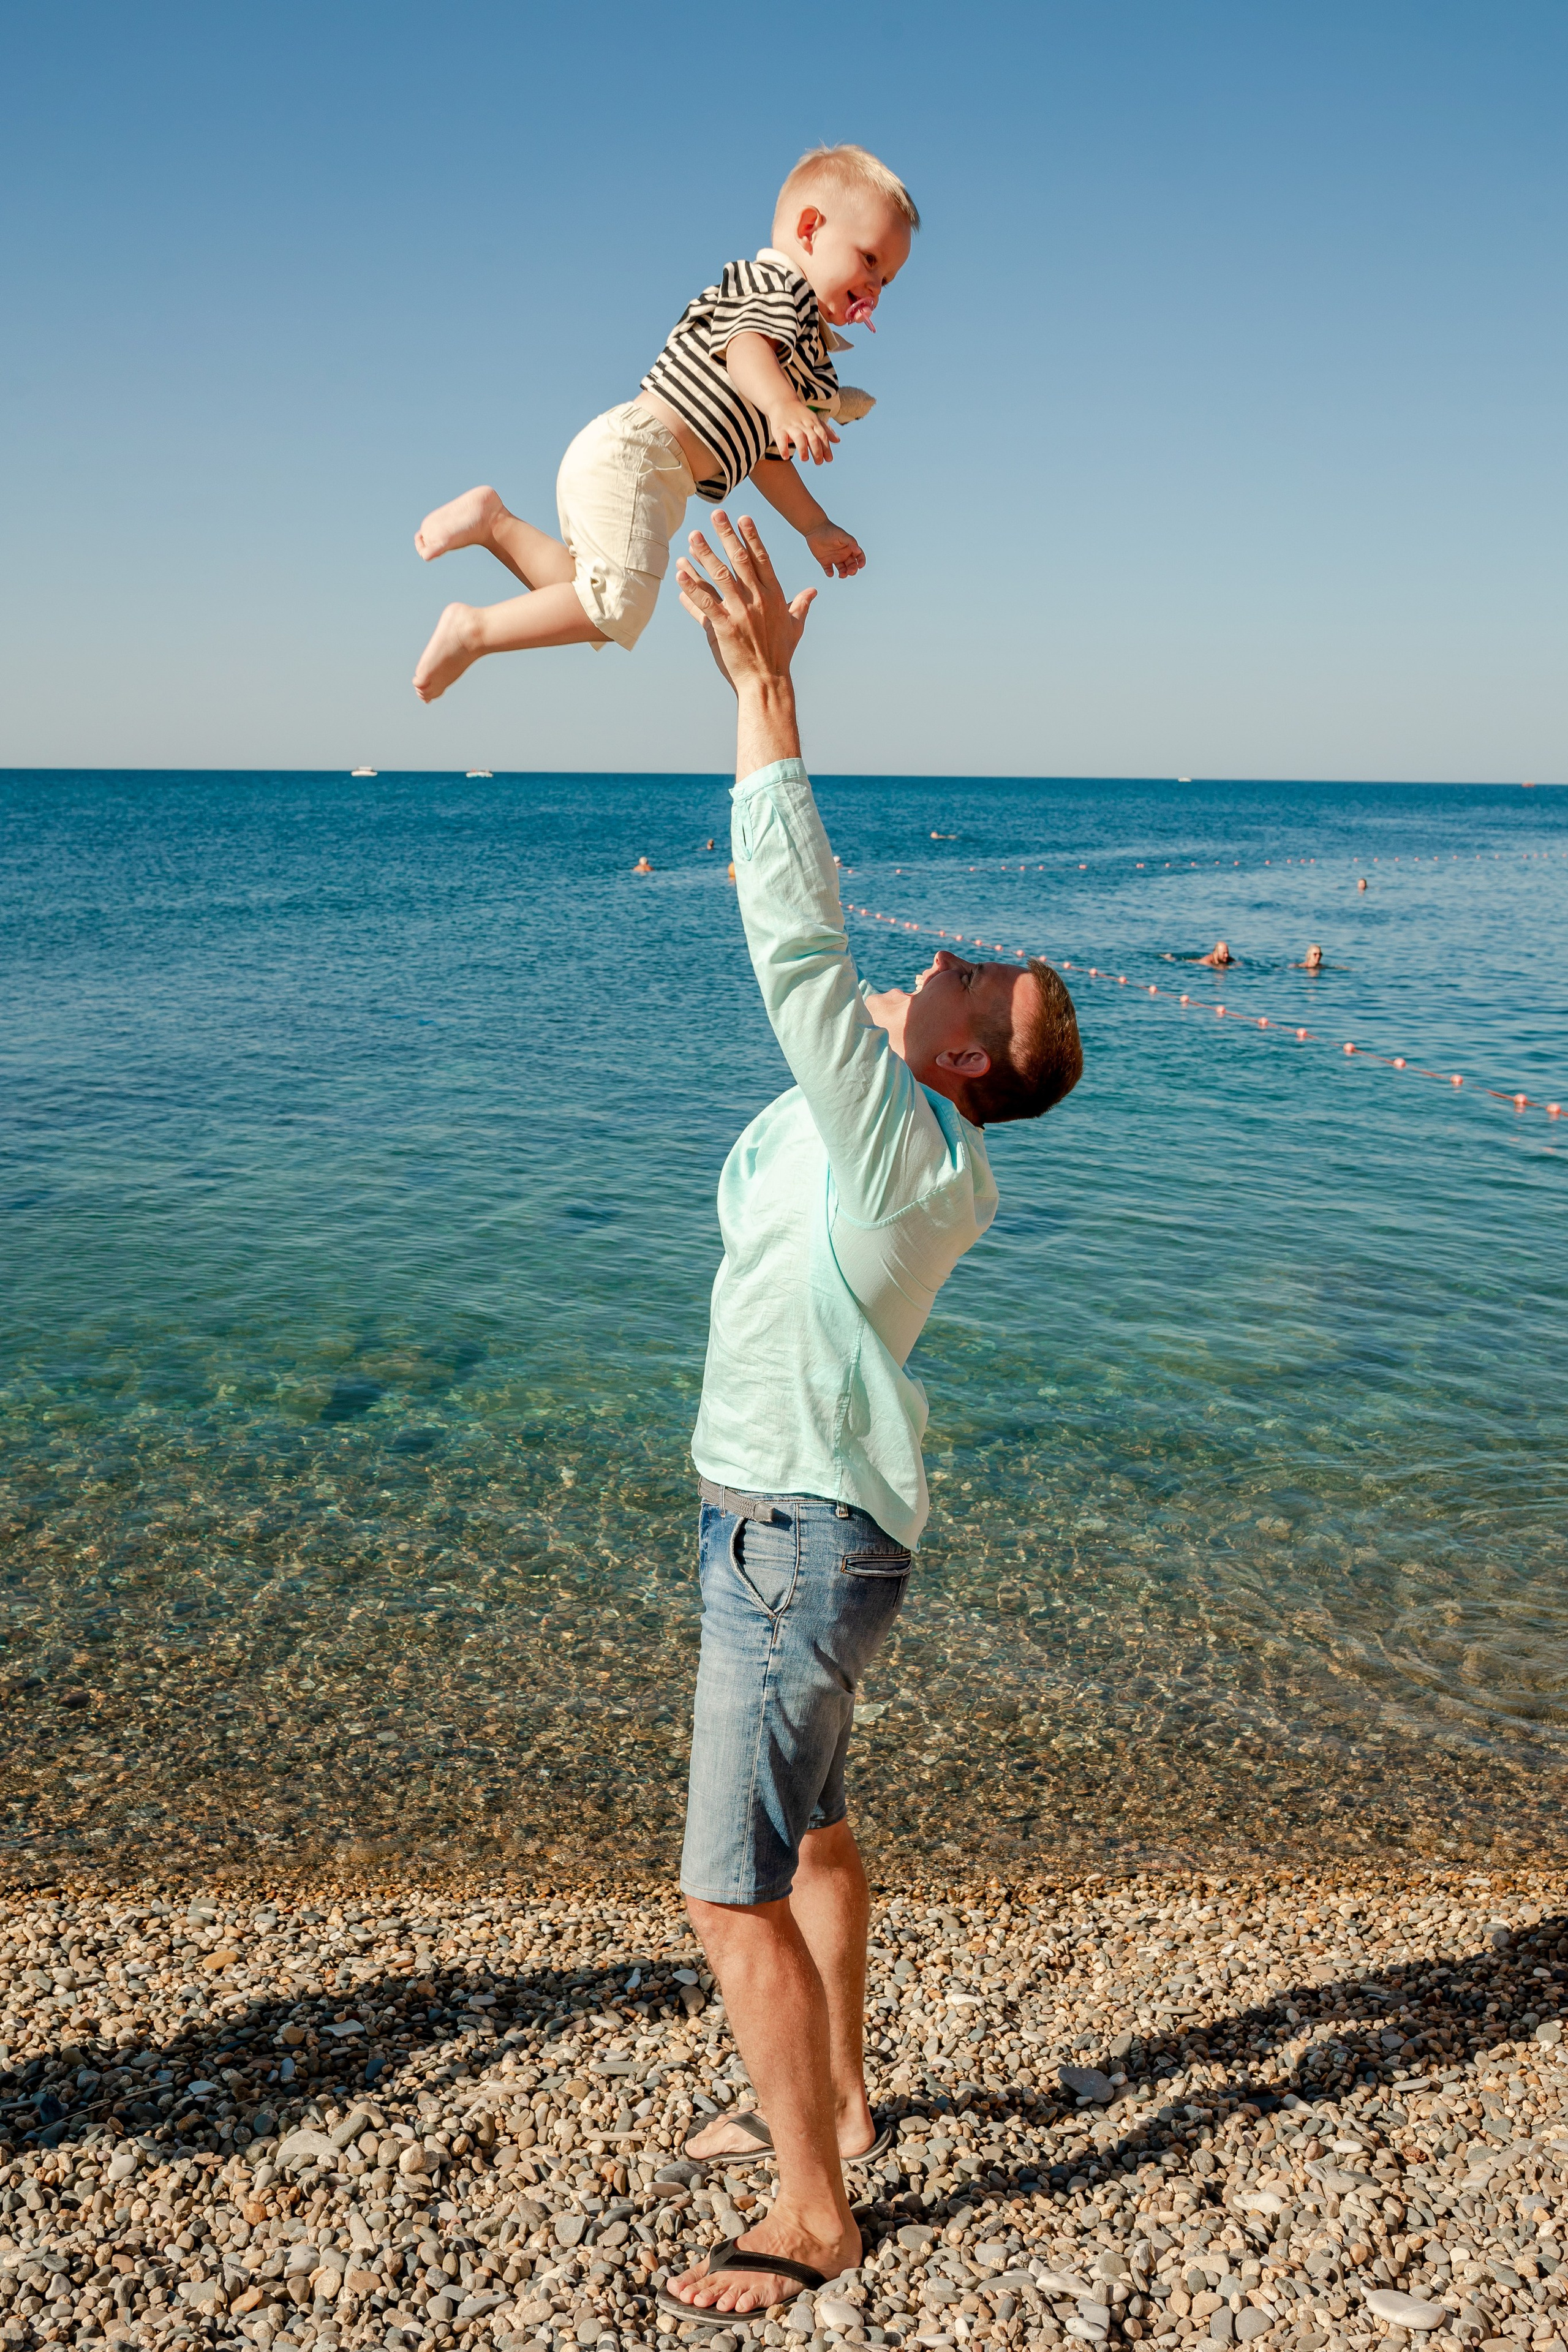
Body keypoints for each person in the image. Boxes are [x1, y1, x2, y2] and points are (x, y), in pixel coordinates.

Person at [657, 513, 1083, 2322]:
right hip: (795, 1522)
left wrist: (765, 691)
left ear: (966, 1055)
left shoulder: (907, 1139)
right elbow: (818, 985)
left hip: (794, 1531)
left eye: (965, 980)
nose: (945, 961)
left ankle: (812, 2205)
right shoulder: (895, 1144)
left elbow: (797, 946)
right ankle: (824, 2089)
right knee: (817, 1830)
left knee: (725, 1887)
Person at [409, 145, 917, 702]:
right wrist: (782, 405)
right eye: (869, 260)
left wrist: (814, 526)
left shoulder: (797, 349)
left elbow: (766, 461)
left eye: (887, 280)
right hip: (639, 455)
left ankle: (494, 522)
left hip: (637, 462)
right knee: (616, 608)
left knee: (596, 605)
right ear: (810, 229)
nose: (875, 287)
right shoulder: (779, 289)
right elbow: (746, 349)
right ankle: (471, 630)